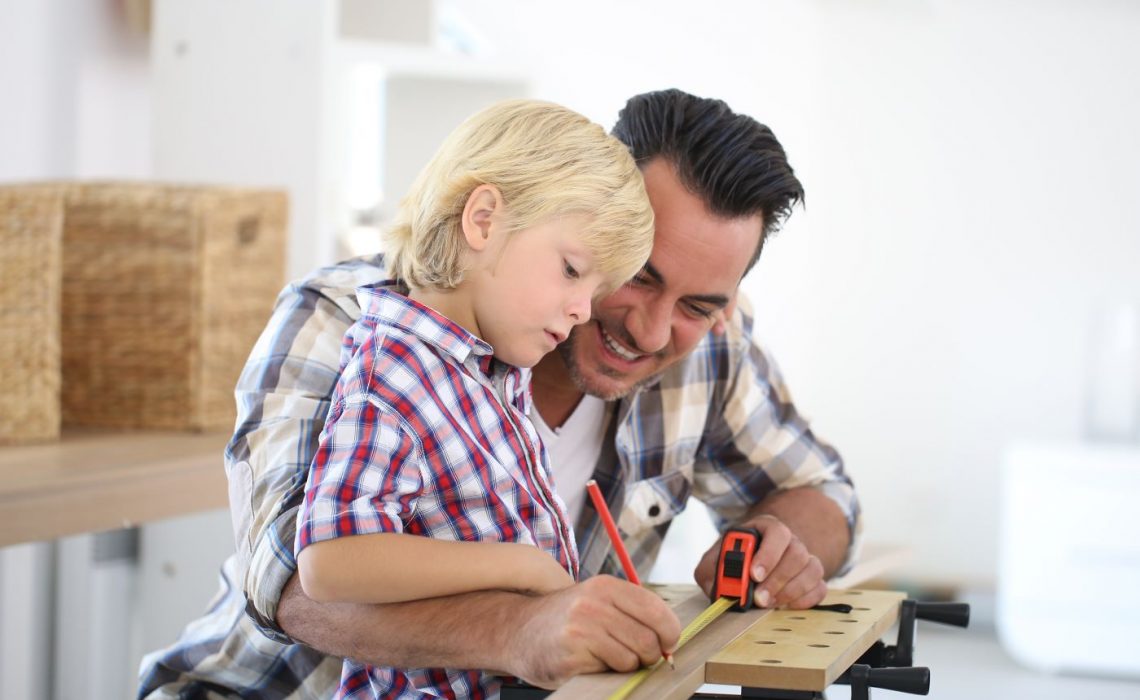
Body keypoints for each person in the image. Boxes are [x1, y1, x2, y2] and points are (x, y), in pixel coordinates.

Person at [138, 88, 861, 699]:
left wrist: (781, 545)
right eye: (634, 274)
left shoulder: (706, 345)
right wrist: (517, 627)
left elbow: (824, 493)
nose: (650, 328)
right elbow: (295, 584)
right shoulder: (346, 324)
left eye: (699, 304)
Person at [293, 98, 656, 699]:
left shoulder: (488, 371)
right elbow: (331, 561)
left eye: (597, 290)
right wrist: (520, 565)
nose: (584, 310)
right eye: (572, 270)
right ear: (483, 221)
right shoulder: (397, 366)